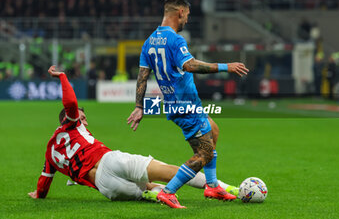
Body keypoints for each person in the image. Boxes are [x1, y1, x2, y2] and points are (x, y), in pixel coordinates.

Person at [28, 66, 238, 202]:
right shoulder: (71, 125)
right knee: (166, 171)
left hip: (106, 188)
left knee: (149, 189)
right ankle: (221, 187)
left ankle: (159, 193)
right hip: (109, 161)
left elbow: (45, 181)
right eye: (81, 118)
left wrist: (38, 194)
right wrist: (63, 77)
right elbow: (71, 103)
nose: (84, 121)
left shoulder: (50, 150)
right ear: (68, 119)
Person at [127, 0, 249, 208]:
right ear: (180, 12)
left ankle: (212, 186)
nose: (187, 21)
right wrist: (225, 66)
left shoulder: (149, 41)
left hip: (178, 104)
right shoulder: (175, 39)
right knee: (204, 153)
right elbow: (190, 65)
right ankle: (168, 191)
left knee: (213, 129)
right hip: (185, 106)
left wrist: (139, 106)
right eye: (187, 16)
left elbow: (142, 76)